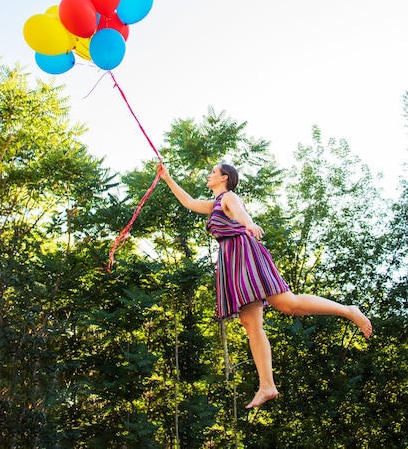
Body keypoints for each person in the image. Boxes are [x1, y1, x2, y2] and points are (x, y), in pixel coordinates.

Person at [159, 162, 372, 409]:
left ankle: (348, 310)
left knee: (288, 304)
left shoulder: (228, 197)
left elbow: (240, 212)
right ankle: (267, 385)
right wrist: (167, 177)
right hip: (232, 260)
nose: (208, 175)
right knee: (251, 324)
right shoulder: (214, 204)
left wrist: (248, 223)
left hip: (244, 252)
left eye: (212, 172)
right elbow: (188, 202)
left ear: (224, 178)